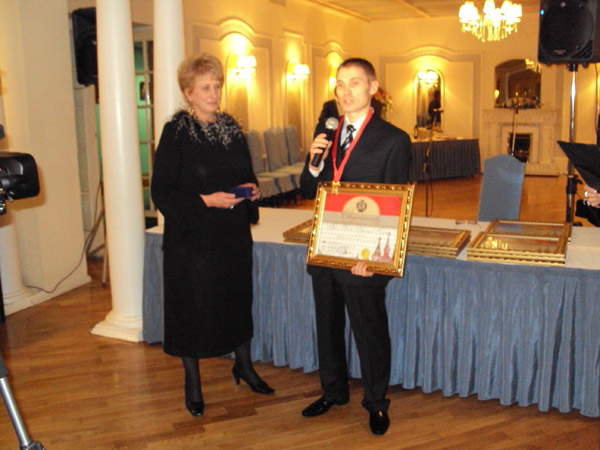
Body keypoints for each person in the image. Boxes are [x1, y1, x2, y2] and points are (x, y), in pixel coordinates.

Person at [150, 53, 274, 418]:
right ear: (188, 93)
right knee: (191, 308)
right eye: (205, 87)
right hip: (192, 240)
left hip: (231, 236)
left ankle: (244, 366)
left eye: (217, 86)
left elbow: (246, 173)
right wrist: (206, 200)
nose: (214, 93)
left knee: (236, 301)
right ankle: (192, 382)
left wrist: (251, 190)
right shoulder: (177, 132)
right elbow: (161, 191)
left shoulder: (231, 127)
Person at [299, 57, 411, 436]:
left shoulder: (393, 140)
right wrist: (313, 164)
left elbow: (395, 207)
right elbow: (307, 189)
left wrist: (378, 263)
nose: (345, 91)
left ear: (373, 88)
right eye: (339, 84)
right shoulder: (326, 132)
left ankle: (376, 402)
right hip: (326, 248)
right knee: (328, 327)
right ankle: (333, 391)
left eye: (355, 83)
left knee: (369, 331)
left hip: (363, 257)